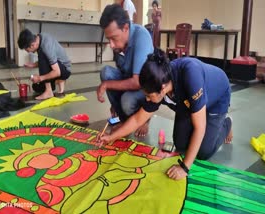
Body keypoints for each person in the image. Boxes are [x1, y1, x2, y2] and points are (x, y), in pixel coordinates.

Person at [97, 48, 233, 180]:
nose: (147, 99)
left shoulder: (191, 75)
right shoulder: (158, 81)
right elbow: (138, 119)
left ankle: (226, 124)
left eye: (149, 96)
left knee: (203, 152)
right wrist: (111, 137)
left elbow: (200, 126)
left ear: (162, 89)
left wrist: (184, 168)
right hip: (190, 105)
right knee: (180, 144)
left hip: (216, 98)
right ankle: (205, 125)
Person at [97, 4, 154, 137]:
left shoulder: (141, 36)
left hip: (145, 88)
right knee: (106, 72)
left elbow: (137, 82)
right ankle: (124, 120)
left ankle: (144, 118)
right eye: (108, 39)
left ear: (126, 28)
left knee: (127, 100)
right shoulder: (120, 43)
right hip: (129, 80)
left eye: (114, 38)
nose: (111, 45)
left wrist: (106, 85)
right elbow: (122, 72)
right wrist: (114, 103)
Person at [17, 29, 71, 100]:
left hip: (64, 70)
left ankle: (49, 91)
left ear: (32, 45)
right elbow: (49, 61)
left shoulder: (46, 47)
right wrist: (33, 65)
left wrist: (40, 78)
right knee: (36, 87)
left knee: (42, 55)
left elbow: (57, 72)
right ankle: (54, 84)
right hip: (59, 66)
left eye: (27, 50)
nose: (28, 52)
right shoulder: (40, 38)